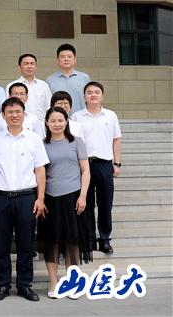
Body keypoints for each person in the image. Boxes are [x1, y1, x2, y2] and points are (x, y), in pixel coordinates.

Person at [0, 98, 49, 302]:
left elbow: (40, 170)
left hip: (27, 197)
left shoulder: (34, 139)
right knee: (1, 244)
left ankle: (24, 285)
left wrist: (40, 198)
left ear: (24, 114)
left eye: (18, 111)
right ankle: (2, 285)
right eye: (10, 112)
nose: (14, 115)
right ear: (3, 116)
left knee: (26, 244)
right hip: (1, 197)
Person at [41, 107, 91, 299]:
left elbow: (85, 170)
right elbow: (40, 173)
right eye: (53, 121)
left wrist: (83, 195)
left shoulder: (76, 142)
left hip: (74, 197)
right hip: (50, 198)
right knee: (51, 241)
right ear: (46, 123)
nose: (57, 124)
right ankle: (54, 283)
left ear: (66, 121)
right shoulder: (42, 144)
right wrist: (40, 198)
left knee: (73, 241)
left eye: (60, 120)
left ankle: (72, 283)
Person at [72, 82, 122, 254]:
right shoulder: (77, 117)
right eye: (89, 92)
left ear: (102, 95)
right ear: (84, 96)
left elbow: (116, 139)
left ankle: (105, 239)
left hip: (104, 164)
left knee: (105, 203)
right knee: (86, 203)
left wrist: (117, 163)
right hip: (84, 165)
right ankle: (89, 240)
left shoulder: (110, 115)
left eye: (97, 92)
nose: (93, 95)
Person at [46, 43, 91, 113]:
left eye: (69, 56)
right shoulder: (49, 80)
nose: (66, 59)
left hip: (81, 118)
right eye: (62, 57)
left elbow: (90, 99)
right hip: (59, 118)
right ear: (57, 60)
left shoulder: (84, 78)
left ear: (75, 59)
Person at [7, 54, 52, 120]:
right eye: (26, 63)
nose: (29, 66)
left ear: (36, 66)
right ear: (19, 67)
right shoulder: (11, 86)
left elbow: (49, 107)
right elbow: (8, 108)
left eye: (32, 64)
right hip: (20, 123)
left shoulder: (44, 85)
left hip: (40, 124)